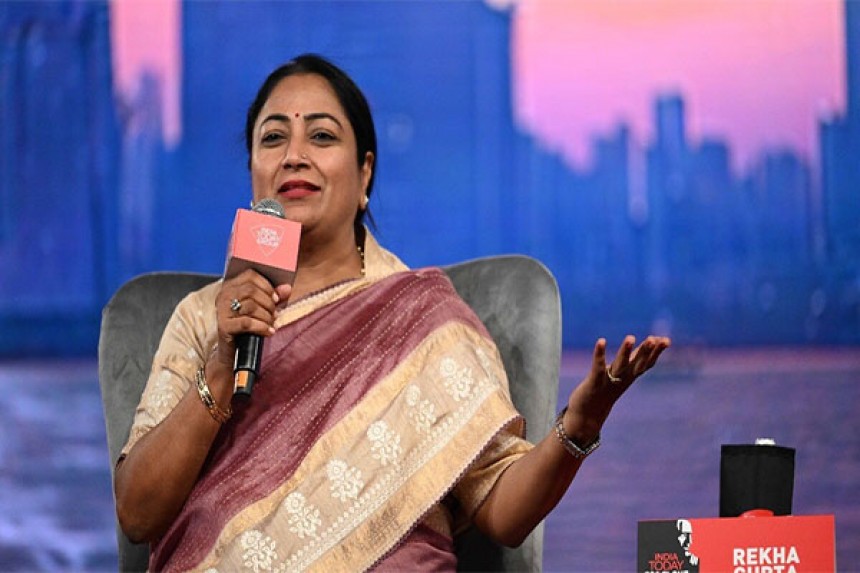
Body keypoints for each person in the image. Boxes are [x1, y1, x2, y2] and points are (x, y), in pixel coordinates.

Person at [114, 53, 671, 572]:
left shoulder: (424, 319)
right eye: (273, 137)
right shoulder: (202, 318)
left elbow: (504, 511)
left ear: (365, 175)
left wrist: (578, 426)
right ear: (253, 173)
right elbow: (138, 515)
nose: (294, 155)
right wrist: (220, 369)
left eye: (321, 136)